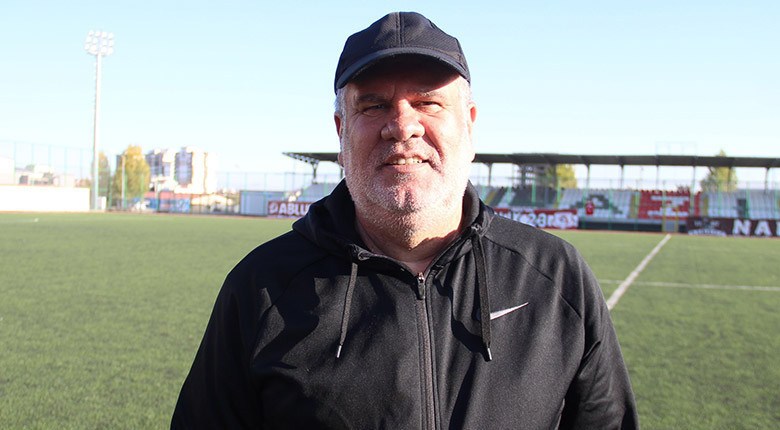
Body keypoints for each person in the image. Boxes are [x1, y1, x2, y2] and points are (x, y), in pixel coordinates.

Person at [172, 11, 638, 429]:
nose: (402, 125)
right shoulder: (261, 288)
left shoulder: (555, 276)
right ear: (341, 132)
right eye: (373, 105)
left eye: (428, 103)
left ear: (470, 124)